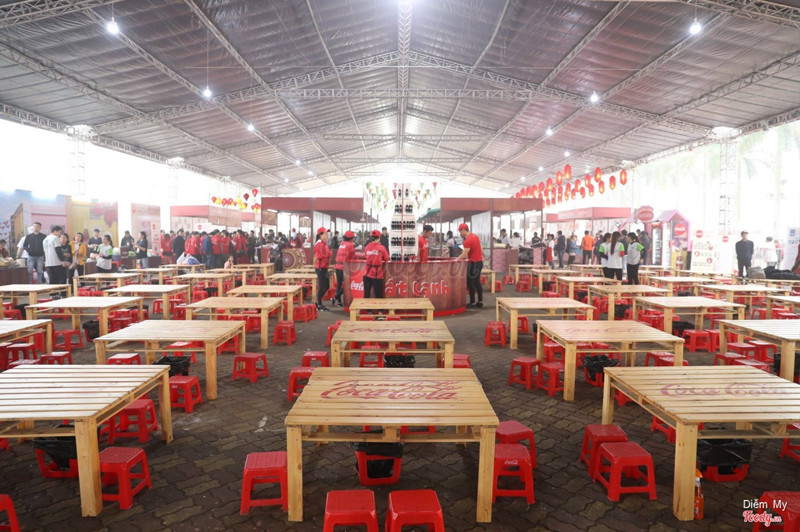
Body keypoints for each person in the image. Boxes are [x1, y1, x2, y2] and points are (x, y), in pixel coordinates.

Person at [458, 223, 484, 308]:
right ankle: (480, 301)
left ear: (463, 230)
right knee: (477, 282)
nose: (460, 234)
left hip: (473, 263)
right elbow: (481, 249)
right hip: (479, 262)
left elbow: (464, 254)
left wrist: (456, 259)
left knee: (470, 282)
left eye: (460, 232)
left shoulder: (468, 240)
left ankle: (472, 302)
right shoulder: (475, 236)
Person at [364, 229, 389, 299]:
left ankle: (366, 306)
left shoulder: (367, 247)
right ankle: (378, 307)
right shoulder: (381, 248)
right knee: (378, 295)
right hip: (377, 275)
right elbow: (387, 259)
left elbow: (365, 256)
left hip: (366, 274)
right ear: (379, 238)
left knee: (366, 295)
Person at [334, 230, 356, 307]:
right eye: (353, 238)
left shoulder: (342, 244)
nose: (354, 239)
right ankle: (336, 297)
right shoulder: (350, 245)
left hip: (337, 266)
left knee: (339, 284)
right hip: (344, 267)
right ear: (351, 238)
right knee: (347, 285)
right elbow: (353, 256)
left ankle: (339, 301)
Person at [314, 227, 332, 311]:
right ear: (320, 235)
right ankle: (319, 304)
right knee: (322, 286)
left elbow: (329, 254)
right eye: (325, 233)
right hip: (320, 267)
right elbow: (325, 255)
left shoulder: (324, 243)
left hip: (324, 267)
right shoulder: (319, 244)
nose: (327, 235)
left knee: (326, 286)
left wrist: (328, 253)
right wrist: (328, 253)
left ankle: (319, 302)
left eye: (327, 233)